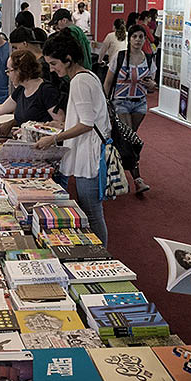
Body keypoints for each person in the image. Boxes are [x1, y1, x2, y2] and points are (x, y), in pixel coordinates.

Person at [35, 32, 111, 246]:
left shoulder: (79, 81)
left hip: (89, 157)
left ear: (68, 59)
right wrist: (62, 126)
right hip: (89, 153)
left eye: (54, 63)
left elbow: (86, 123)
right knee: (91, 211)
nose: (52, 69)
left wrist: (54, 138)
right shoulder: (87, 76)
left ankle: (102, 255)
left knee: (92, 213)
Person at [103, 24, 157, 195]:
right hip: (120, 103)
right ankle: (137, 179)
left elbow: (153, 84)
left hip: (140, 103)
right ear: (129, 38)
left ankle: (117, 169)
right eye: (135, 37)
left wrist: (152, 85)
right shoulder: (120, 57)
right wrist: (105, 103)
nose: (138, 40)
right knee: (129, 139)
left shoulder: (148, 59)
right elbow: (108, 82)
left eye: (141, 37)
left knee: (128, 139)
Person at [0, 49, 63, 132]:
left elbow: (60, 122)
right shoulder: (21, 89)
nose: (8, 74)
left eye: (9, 70)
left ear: (20, 70)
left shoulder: (46, 90)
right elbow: (2, 108)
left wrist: (32, 129)